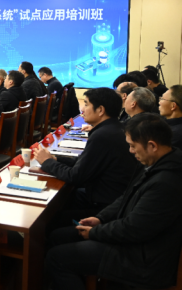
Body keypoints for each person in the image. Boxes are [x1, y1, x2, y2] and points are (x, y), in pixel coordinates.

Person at [46, 113, 182, 290]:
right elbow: (126, 196)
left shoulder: (167, 182)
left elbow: (133, 229)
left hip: (143, 258)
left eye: (133, 146)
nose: (130, 151)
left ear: (152, 146)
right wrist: (100, 218)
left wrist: (95, 233)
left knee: (56, 258)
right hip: (133, 240)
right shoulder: (156, 162)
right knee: (58, 236)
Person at [34, 88, 138, 223]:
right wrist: (56, 159)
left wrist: (47, 162)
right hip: (109, 196)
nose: (82, 109)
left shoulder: (103, 136)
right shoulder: (115, 128)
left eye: (86, 104)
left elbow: (75, 176)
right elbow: (84, 162)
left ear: (100, 110)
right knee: (65, 199)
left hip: (105, 206)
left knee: (52, 218)